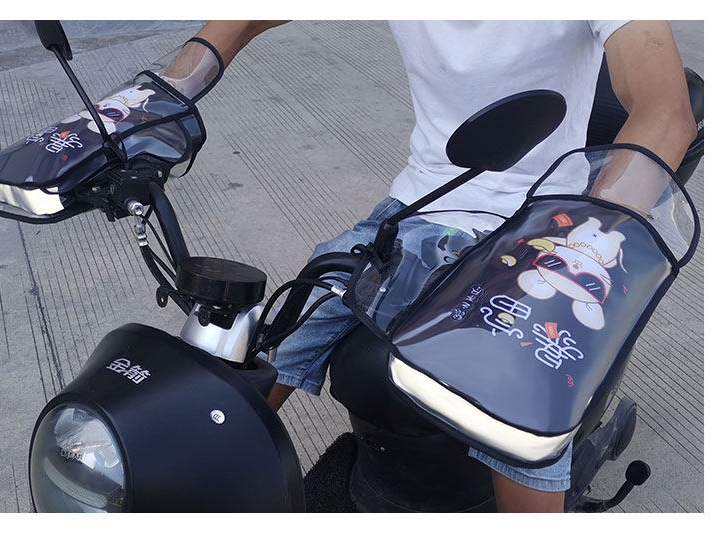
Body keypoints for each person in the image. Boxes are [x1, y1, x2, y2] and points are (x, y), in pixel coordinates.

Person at [174, 20, 697, 512]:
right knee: (282, 331)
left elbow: (665, 110)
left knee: (520, 409)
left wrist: (589, 233)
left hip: (539, 217)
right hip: (419, 206)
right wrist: (163, 94)